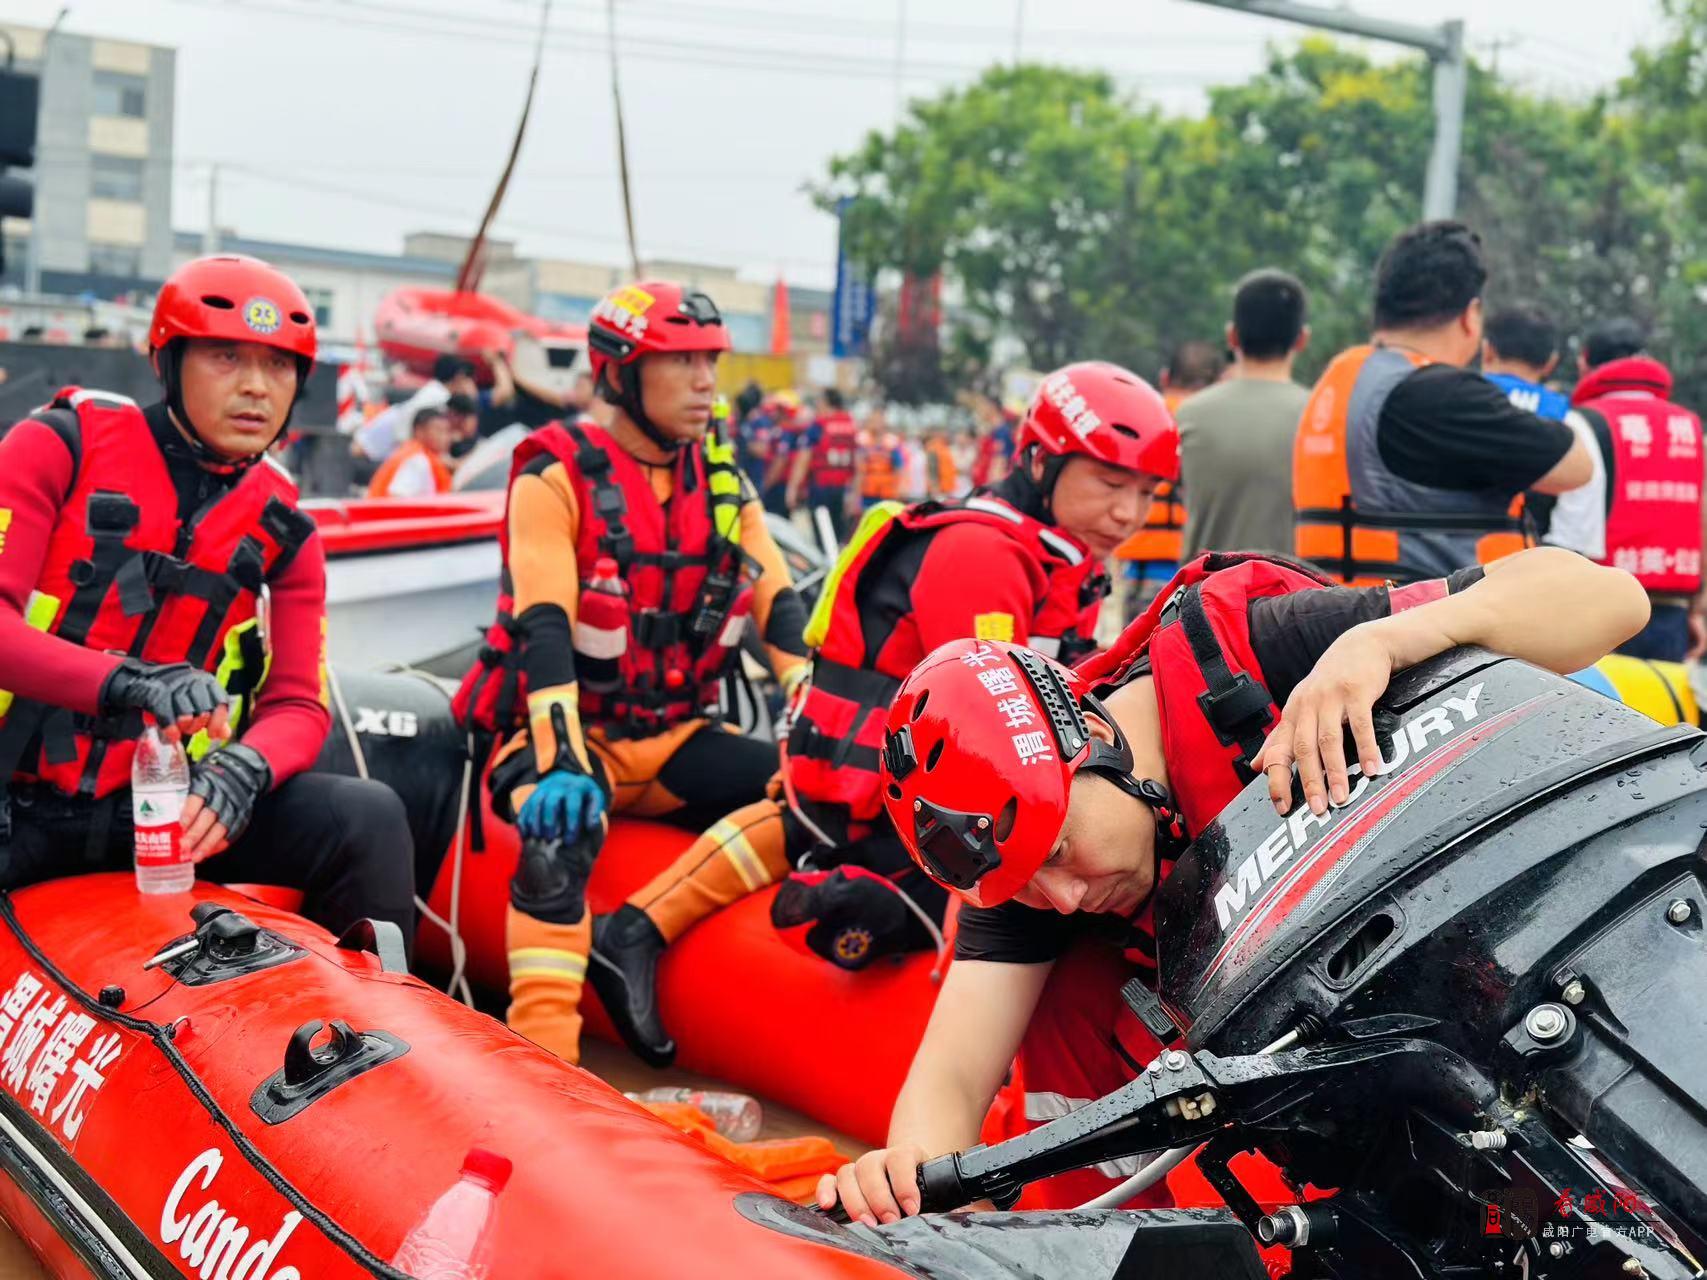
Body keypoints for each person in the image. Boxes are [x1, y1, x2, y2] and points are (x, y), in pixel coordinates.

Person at [817, 545, 1647, 1224]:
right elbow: (951, 1084)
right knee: (1069, 988)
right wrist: (902, 1177)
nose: (1063, 897)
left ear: (1099, 743)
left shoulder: (1261, 654)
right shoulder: (1024, 864)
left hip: (1542, 893)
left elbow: (1612, 599)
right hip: (1359, 1031)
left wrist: (1382, 641)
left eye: (1063, 849)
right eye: (1028, 886)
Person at [588, 361, 1179, 1069]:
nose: (1128, 514)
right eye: (1110, 485)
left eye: (1146, 494)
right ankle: (632, 930)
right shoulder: (982, 551)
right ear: (1037, 462)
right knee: (869, 878)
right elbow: (996, 725)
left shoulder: (1056, 554)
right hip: (872, 787)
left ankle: (635, 929)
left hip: (905, 781)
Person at [0, 254, 415, 940]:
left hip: (162, 809)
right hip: (17, 799)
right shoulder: (55, 447)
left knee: (366, 816)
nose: (256, 387)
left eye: (279, 366)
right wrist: (131, 680)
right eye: (226, 357)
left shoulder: (287, 531)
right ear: (171, 361)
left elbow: (296, 703)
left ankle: (382, 1024)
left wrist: (242, 771)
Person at [453, 281, 810, 1065]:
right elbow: (541, 623)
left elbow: (779, 609)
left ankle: (636, 933)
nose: (706, 384)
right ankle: (545, 1060)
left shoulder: (723, 485)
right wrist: (563, 756)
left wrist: (809, 717)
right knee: (557, 836)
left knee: (820, 803)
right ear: (618, 373)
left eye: (709, 363)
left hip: (674, 735)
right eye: (681, 364)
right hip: (560, 734)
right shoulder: (553, 473)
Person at [1294, 221, 1594, 585]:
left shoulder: (1340, 381)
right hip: (1429, 630)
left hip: (1335, 621)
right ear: (1470, 316)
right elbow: (1575, 467)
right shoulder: (1441, 395)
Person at [1570, 317, 1706, 662]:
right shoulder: (1689, 427)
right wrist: (1698, 608)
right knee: (1658, 713)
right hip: (1672, 608)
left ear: (1584, 362)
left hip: (1597, 608)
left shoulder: (1583, 422)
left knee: (1596, 712)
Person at [1178, 270, 1312, 559]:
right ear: (1302, 339)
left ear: (1232, 336)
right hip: (1296, 599)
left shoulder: (1188, 417)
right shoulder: (1320, 420)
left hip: (1201, 597)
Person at [1481, 303, 1608, 560]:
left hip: (1445, 581)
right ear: (1551, 363)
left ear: (1487, 350)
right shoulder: (1572, 425)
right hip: (1534, 577)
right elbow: (1578, 534)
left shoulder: (1454, 404)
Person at [1114, 341, 1222, 607]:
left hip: (1134, 561)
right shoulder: (1207, 425)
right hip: (1183, 566)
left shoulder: (1141, 416)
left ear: (1165, 377)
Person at [354, 354, 478, 470]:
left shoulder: (437, 391)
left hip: (391, 434)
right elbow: (411, 427)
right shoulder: (439, 398)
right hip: (387, 438)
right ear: (459, 378)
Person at [787, 388, 860, 541]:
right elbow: (859, 464)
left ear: (826, 403)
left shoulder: (818, 427)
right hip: (844, 490)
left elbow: (803, 459)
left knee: (823, 538)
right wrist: (855, 494)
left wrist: (792, 488)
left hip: (821, 489)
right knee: (841, 538)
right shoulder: (851, 426)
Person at [366, 405, 454, 498]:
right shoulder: (417, 461)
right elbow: (397, 498)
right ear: (419, 431)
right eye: (439, 431)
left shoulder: (416, 454)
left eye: (447, 431)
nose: (445, 437)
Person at [856, 407, 905, 509]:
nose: (875, 424)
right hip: (867, 494)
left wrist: (899, 490)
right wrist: (855, 496)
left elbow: (899, 469)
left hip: (888, 494)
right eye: (873, 420)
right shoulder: (862, 441)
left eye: (878, 420)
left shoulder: (892, 442)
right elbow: (858, 471)